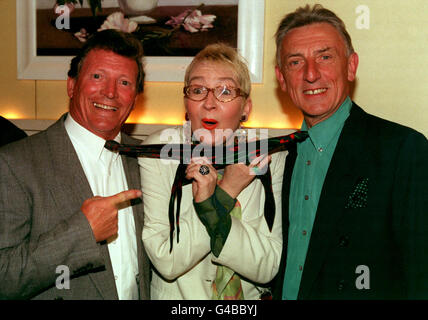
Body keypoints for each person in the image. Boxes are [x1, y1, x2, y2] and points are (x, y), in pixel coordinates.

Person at [271, 4, 428, 299]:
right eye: (295, 62)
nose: (311, 74)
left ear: (351, 66)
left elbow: (420, 274)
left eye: (325, 57)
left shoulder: (402, 151)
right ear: (281, 78)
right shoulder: (277, 157)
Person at [0, 29, 150, 300]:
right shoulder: (14, 163)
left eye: (125, 82)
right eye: (97, 77)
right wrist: (83, 232)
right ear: (71, 85)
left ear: (135, 99)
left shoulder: (145, 159)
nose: (110, 92)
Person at [139, 43, 286, 299]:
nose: (209, 103)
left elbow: (267, 267)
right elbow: (167, 261)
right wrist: (226, 191)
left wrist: (211, 201)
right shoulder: (158, 152)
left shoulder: (269, 155)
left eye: (225, 91)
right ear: (186, 103)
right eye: (198, 90)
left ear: (246, 108)